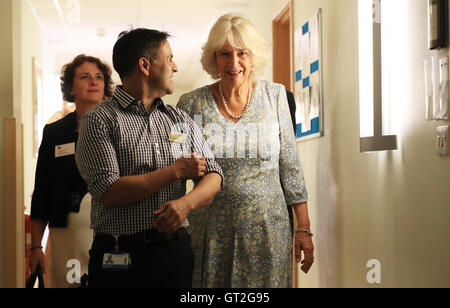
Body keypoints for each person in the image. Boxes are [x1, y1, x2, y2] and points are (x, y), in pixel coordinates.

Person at [75, 28, 224, 288]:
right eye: (169, 58)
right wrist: (174, 172)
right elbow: (108, 190)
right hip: (120, 255)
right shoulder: (99, 120)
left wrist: (185, 204)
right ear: (145, 65)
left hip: (174, 253)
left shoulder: (179, 118)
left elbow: (214, 174)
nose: (175, 67)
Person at [177, 13, 314, 288]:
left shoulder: (275, 97)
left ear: (253, 56)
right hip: (211, 231)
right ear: (214, 59)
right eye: (225, 54)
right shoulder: (191, 104)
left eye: (242, 53)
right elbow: (177, 169)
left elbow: (290, 164)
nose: (234, 63)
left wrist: (303, 227)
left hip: (268, 228)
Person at [30, 54, 113, 288]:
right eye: (85, 77)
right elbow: (42, 191)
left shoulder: (117, 128)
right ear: (71, 87)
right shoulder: (55, 133)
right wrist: (36, 246)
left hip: (109, 231)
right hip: (66, 234)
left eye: (98, 77)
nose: (93, 82)